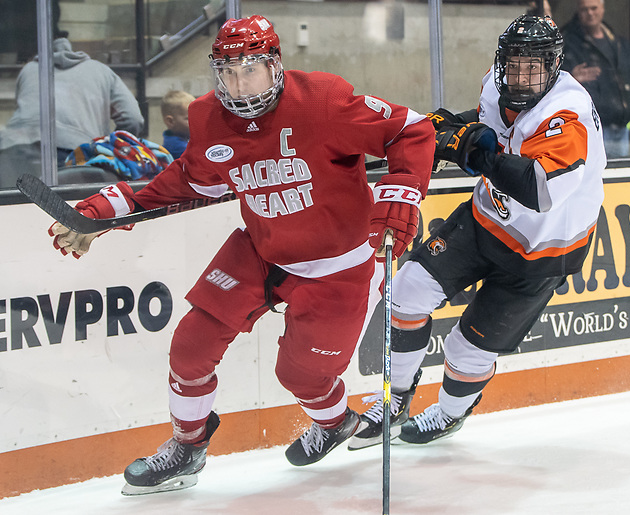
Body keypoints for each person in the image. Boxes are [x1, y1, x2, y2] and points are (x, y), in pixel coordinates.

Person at [46, 15, 434, 494]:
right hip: (261, 251)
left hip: (338, 268)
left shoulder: (324, 100)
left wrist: (400, 195)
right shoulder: (211, 117)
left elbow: (412, 130)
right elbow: (186, 180)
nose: (236, 83)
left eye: (249, 69)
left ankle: (334, 423)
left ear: (275, 64)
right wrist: (101, 212)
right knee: (190, 348)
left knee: (300, 376)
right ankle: (188, 447)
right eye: (226, 71)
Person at [348, 14, 605, 450]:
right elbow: (487, 124)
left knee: (466, 350)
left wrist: (469, 151)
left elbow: (537, 189)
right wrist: (447, 129)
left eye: (533, 68)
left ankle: (449, 414)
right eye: (514, 64)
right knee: (406, 291)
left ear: (554, 66)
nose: (521, 76)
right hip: (487, 219)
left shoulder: (568, 113)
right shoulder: (495, 83)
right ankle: (394, 400)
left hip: (542, 251)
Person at [0, 35, 144, 188]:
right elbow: (133, 118)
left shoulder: (28, 69)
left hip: (14, 149)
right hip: (76, 152)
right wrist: (113, 147)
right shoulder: (101, 70)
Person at [561, 0, 630, 158]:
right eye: (585, 9)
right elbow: (556, 85)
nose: (590, 13)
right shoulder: (570, 45)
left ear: (603, 9)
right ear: (578, 12)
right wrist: (571, 79)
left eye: (594, 8)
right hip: (593, 126)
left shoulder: (617, 42)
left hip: (622, 125)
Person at [160, 90, 195, 159]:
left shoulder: (181, 139)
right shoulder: (177, 147)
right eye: (189, 119)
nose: (196, 122)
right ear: (170, 121)